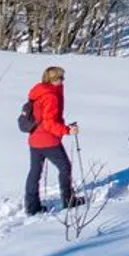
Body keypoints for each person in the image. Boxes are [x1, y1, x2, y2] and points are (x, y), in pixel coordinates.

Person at [24, 67, 83, 215]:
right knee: (65, 167)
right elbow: (49, 123)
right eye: (59, 78)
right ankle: (68, 200)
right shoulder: (51, 96)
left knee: (35, 172)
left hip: (34, 138)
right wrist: (67, 130)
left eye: (63, 77)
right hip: (48, 140)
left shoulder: (38, 91)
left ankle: (32, 207)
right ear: (52, 79)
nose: (62, 81)